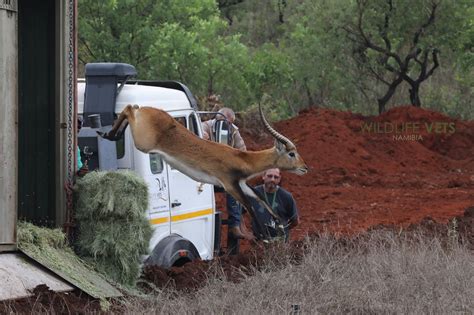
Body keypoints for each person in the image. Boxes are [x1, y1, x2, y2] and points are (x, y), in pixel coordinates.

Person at [202, 107, 251, 239]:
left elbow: (243, 151)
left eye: (229, 123)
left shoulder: (234, 131)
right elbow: (196, 136)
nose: (226, 126)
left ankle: (235, 224)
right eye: (224, 122)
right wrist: (203, 137)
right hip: (206, 172)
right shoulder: (206, 126)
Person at [251, 168, 300, 241]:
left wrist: (283, 229)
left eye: (276, 177)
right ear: (263, 176)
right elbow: (239, 213)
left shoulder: (286, 196)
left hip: (280, 242)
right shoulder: (253, 193)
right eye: (269, 176)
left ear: (279, 179)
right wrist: (245, 232)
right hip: (259, 241)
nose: (272, 180)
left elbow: (295, 221)